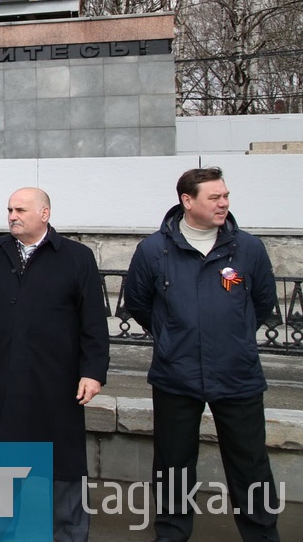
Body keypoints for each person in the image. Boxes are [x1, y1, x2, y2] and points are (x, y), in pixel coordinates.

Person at [125, 167, 281, 541]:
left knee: (250, 466)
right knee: (173, 465)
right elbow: (138, 303)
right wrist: (172, 338)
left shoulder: (248, 248)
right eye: (215, 197)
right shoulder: (153, 250)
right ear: (187, 201)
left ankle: (261, 534)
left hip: (237, 374)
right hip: (175, 375)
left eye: (225, 196)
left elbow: (262, 303)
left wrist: (234, 337)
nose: (223, 203)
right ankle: (172, 534)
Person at [0, 187, 109, 541]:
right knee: (3, 461)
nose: (12, 215)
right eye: (9, 209)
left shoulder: (77, 257)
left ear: (45, 214)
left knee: (65, 464)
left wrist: (93, 372)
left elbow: (93, 323)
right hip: (7, 378)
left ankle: (70, 532)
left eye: (21, 210)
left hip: (59, 381)